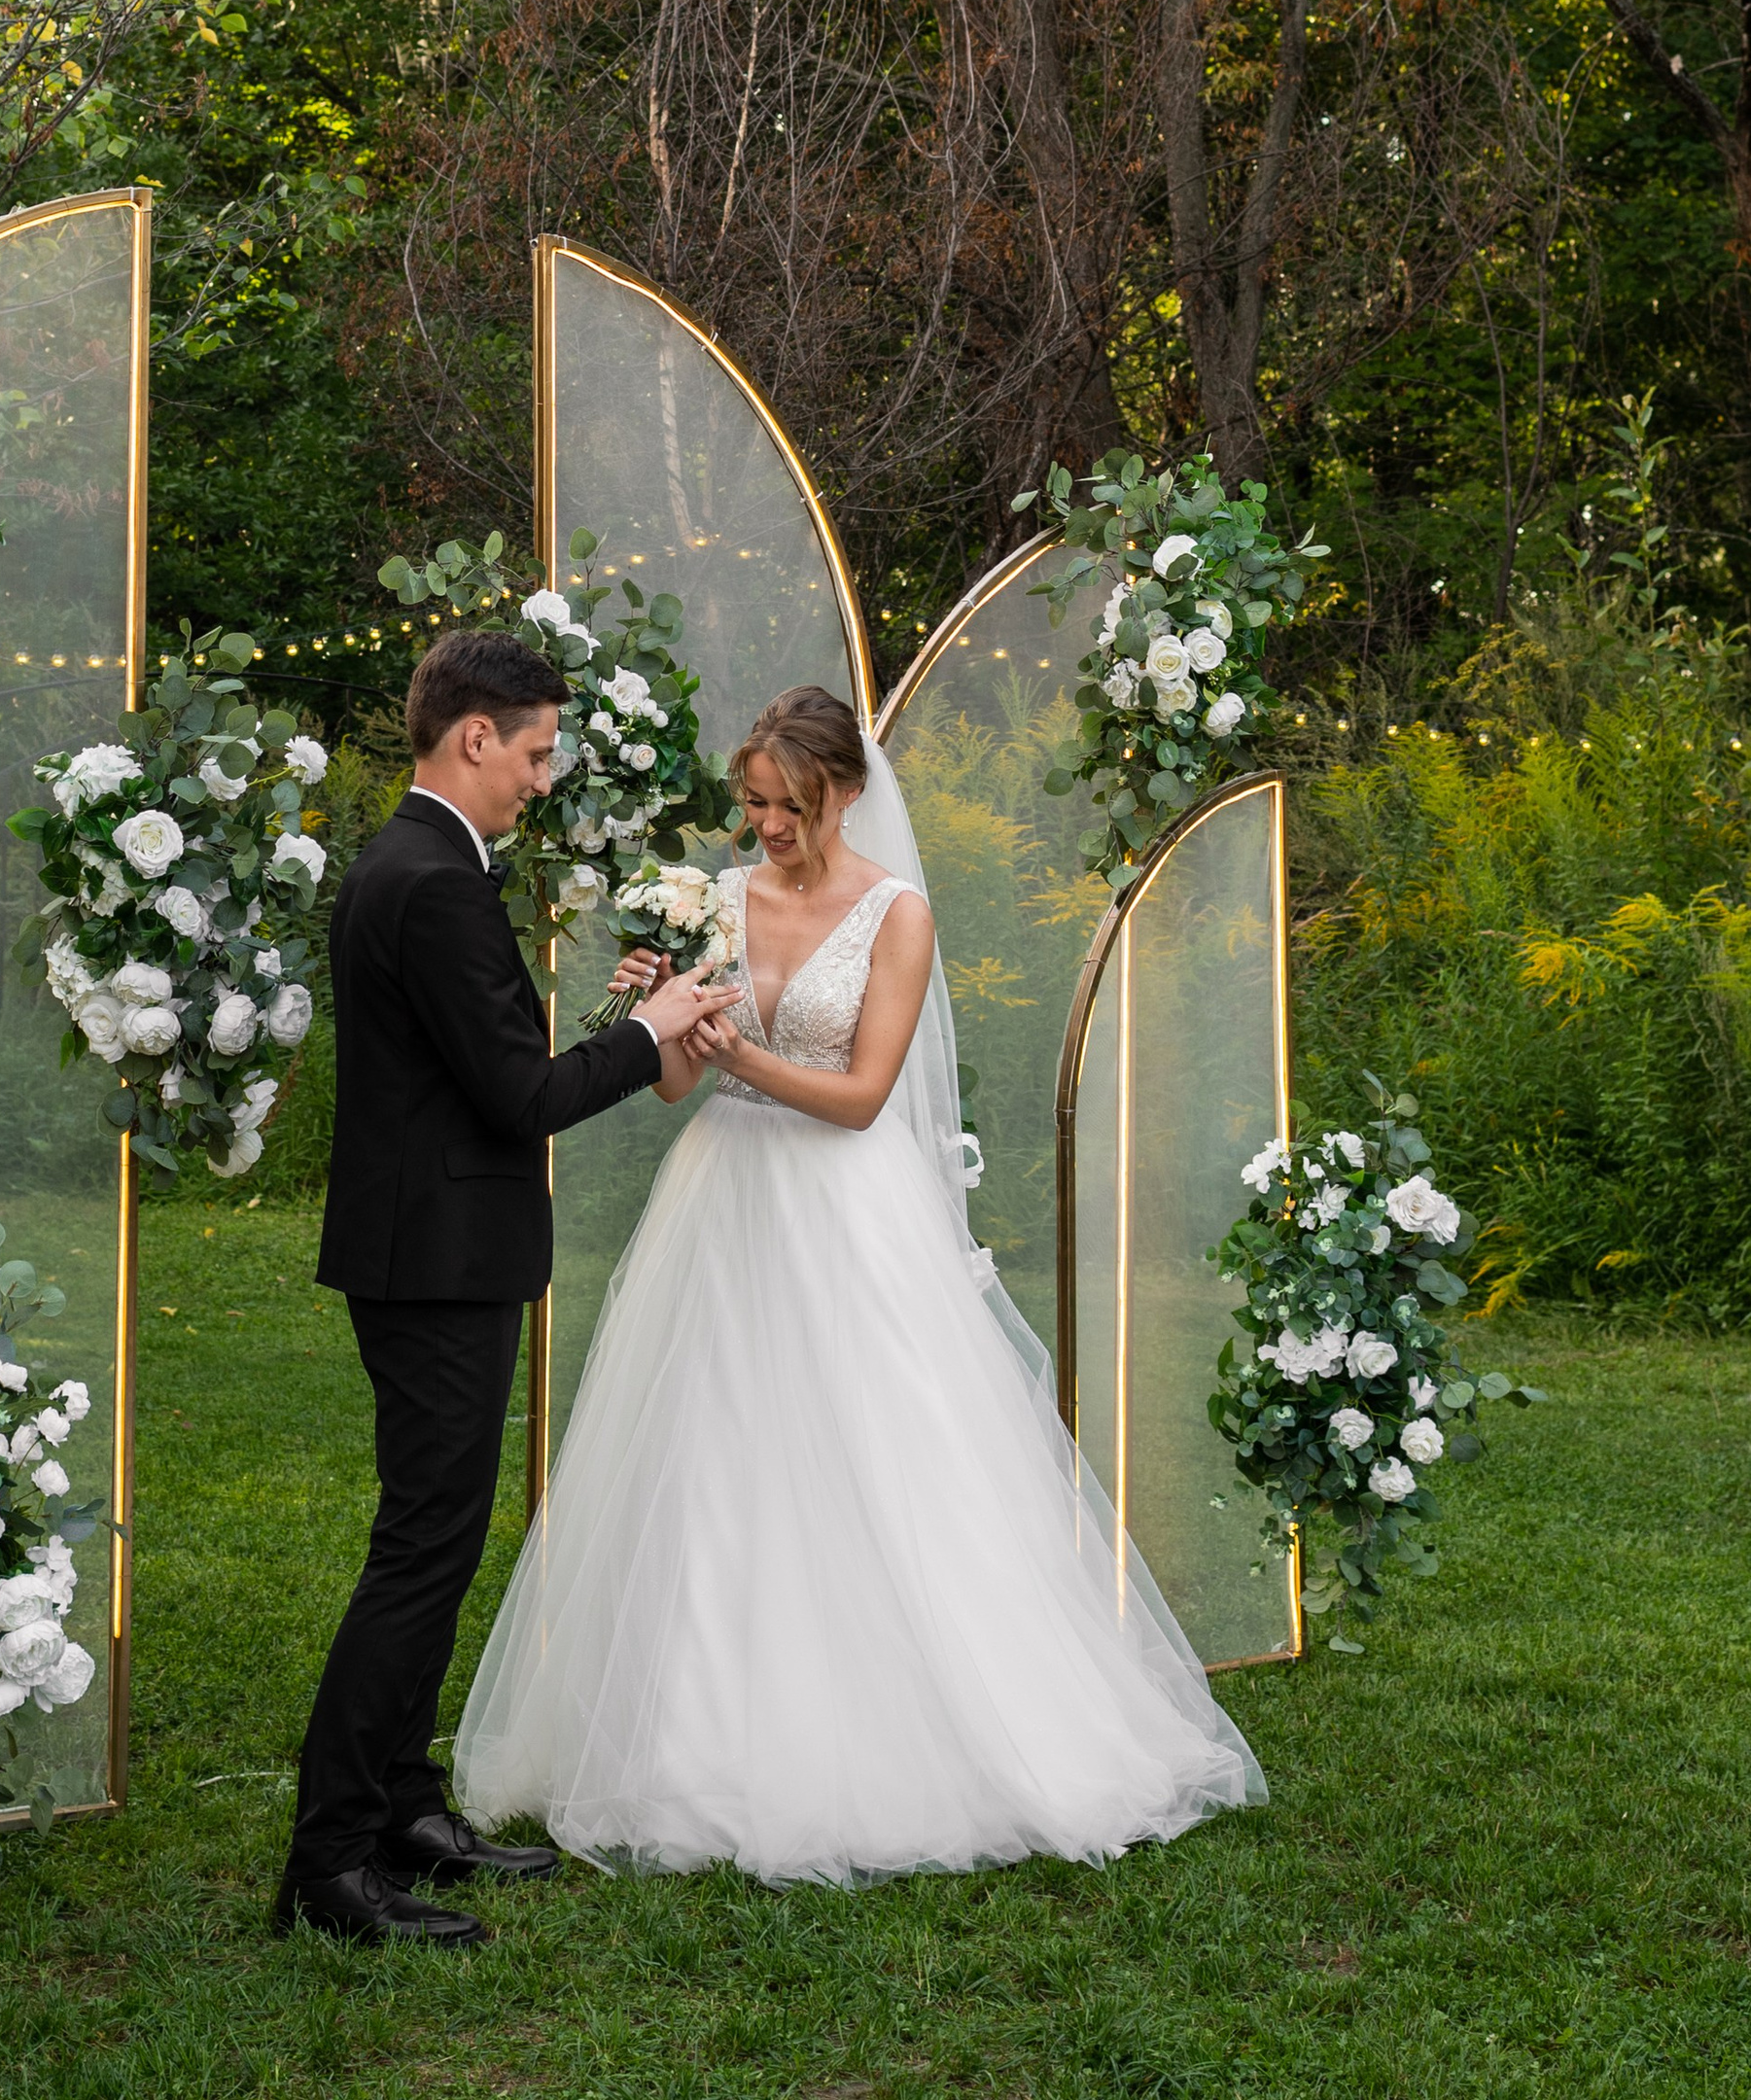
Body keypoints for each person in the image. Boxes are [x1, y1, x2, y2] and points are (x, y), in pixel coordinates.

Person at [450, 682, 1267, 1884]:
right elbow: (681, 1088)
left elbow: (864, 1097)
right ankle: (694, 1737)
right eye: (753, 803)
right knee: (711, 1452)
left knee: (880, 1448)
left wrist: (745, 1055)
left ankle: (923, 1726)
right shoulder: (716, 898)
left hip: (845, 1210)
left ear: (840, 792)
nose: (766, 826)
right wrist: (660, 1020)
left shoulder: (896, 915)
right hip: (719, 1199)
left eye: (786, 804)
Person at [275, 625, 738, 1946]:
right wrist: (646, 1036)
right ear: (474, 733)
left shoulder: (417, 861)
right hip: (434, 1263)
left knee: (441, 1537)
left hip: (427, 1248)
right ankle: (330, 1861)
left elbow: (482, 1071)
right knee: (421, 1552)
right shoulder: (433, 880)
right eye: (535, 750)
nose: (543, 776)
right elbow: (519, 1096)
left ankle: (406, 1805)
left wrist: (621, 1025)